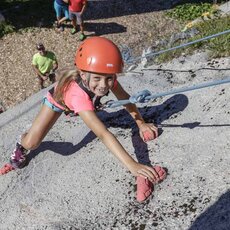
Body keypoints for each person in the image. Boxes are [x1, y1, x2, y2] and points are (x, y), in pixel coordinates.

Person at [0, 37, 166, 202]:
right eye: (98, 79)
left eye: (109, 78)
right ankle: (21, 141)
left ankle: (88, 104)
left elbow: (125, 98)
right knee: (32, 143)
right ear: (83, 74)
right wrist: (132, 165)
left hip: (83, 99)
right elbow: (103, 134)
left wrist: (141, 124)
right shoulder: (78, 96)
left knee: (94, 98)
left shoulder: (105, 77)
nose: (104, 85)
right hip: (58, 102)